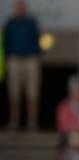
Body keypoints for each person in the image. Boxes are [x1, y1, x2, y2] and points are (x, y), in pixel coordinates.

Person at [3, 0, 41, 131]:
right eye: (18, 7)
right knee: (14, 92)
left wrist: (35, 55)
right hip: (14, 60)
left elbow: (38, 40)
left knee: (32, 92)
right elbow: (6, 42)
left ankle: (32, 121)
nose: (20, 9)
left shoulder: (31, 22)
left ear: (26, 9)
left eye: (22, 7)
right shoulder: (10, 23)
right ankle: (14, 121)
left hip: (30, 59)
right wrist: (9, 56)